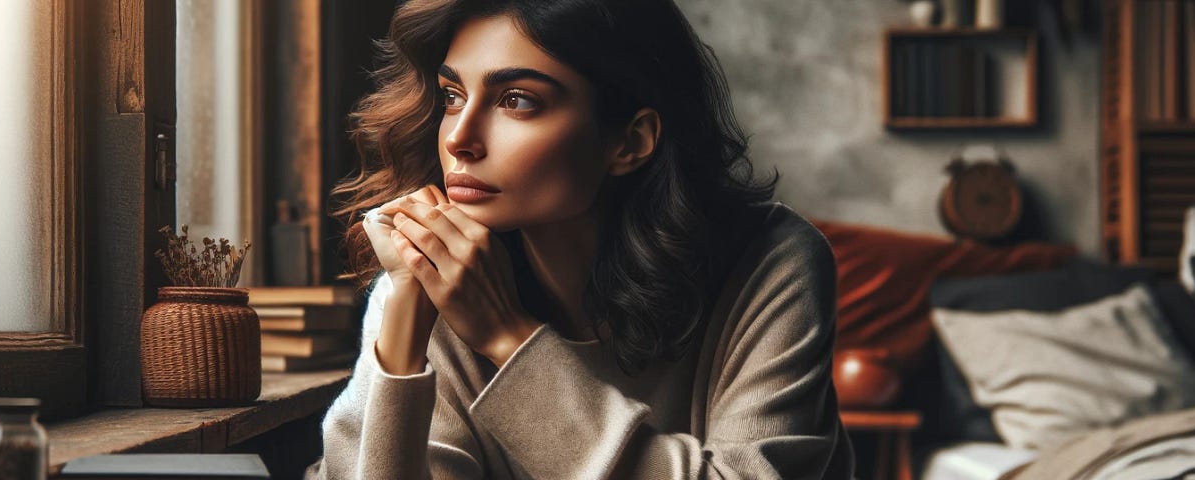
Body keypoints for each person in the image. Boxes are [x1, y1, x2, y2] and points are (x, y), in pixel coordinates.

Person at [310, 0, 854, 477]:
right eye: (453, 96)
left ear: (631, 141)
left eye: (516, 100)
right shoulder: (438, 271)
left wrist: (507, 338)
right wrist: (404, 318)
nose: (459, 138)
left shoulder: (771, 262)